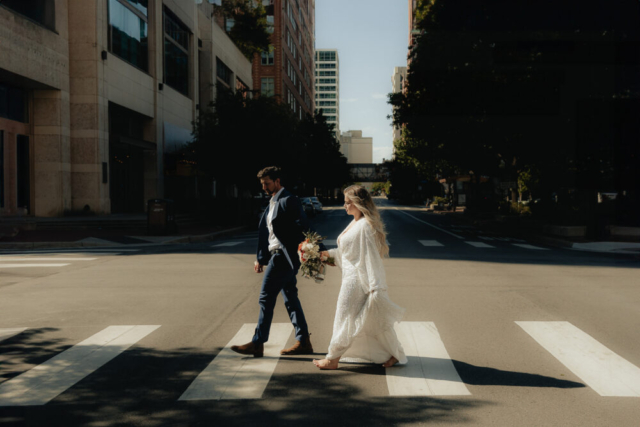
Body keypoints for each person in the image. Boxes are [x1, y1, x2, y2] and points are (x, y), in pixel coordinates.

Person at [231, 166, 324, 358]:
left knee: (266, 297)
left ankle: (258, 343)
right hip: (276, 255)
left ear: (278, 181)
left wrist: (318, 251)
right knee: (290, 297)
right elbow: (269, 234)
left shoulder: (288, 200)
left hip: (284, 256)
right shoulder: (272, 202)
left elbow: (305, 226)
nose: (264, 187)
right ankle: (304, 340)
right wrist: (261, 258)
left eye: (267, 183)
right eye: (262, 184)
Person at [313, 185, 407, 370]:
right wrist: (326, 255)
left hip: (356, 282)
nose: (344, 206)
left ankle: (332, 359)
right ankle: (394, 354)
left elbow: (371, 258)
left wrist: (376, 286)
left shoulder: (365, 226)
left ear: (358, 203)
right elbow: (348, 253)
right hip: (349, 278)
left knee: (344, 318)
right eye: (345, 202)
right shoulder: (356, 222)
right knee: (370, 320)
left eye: (348, 202)